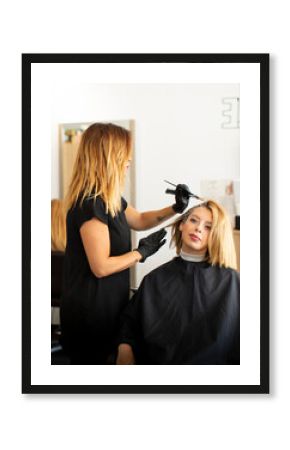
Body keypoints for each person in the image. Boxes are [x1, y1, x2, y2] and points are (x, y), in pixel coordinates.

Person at [60, 122, 190, 364]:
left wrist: (175, 207)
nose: (129, 159)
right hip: (91, 311)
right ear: (108, 156)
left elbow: (139, 219)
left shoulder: (110, 199)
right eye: (125, 153)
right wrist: (141, 253)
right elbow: (101, 267)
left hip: (109, 304)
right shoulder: (91, 203)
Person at [117, 200, 240, 365]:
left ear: (216, 235)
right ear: (182, 224)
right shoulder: (154, 279)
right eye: (194, 220)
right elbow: (129, 325)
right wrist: (124, 349)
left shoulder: (230, 281)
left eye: (208, 227)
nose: (198, 228)